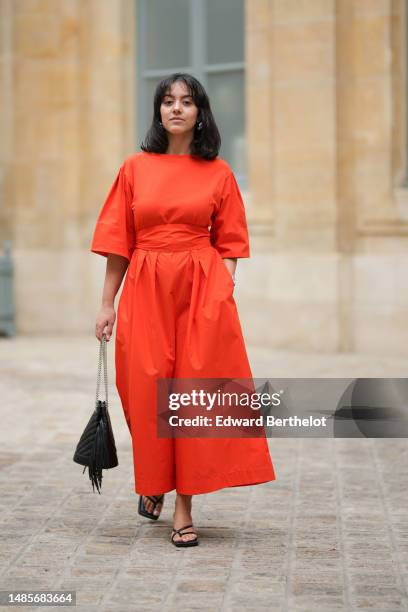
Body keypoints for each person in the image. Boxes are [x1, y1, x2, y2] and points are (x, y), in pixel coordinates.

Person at [91, 73, 276, 548]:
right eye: (168, 101)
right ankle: (154, 479)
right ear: (158, 110)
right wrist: (106, 302)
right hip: (147, 284)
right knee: (144, 387)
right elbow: (119, 242)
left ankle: (184, 505)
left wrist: (223, 285)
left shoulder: (219, 172)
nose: (177, 108)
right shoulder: (134, 168)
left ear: (200, 112)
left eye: (187, 101)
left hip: (201, 287)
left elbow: (231, 240)